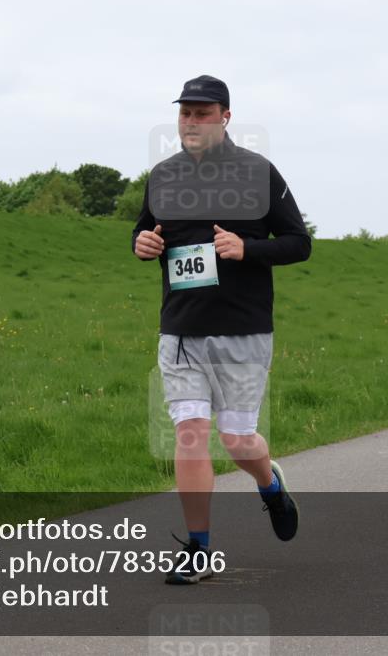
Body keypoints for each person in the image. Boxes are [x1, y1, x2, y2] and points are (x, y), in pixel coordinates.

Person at [132, 75, 311, 584]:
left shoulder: (258, 174)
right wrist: (141, 243)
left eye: (202, 112)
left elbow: (299, 242)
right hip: (182, 330)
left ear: (225, 117)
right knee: (190, 436)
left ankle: (270, 486)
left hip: (243, 330)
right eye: (185, 112)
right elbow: (145, 231)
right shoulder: (163, 176)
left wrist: (247, 248)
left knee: (237, 442)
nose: (191, 121)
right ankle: (198, 549)